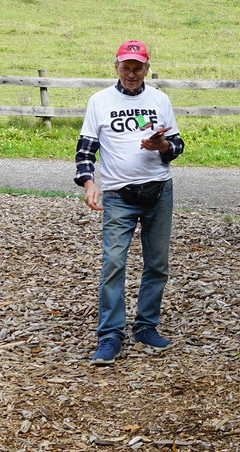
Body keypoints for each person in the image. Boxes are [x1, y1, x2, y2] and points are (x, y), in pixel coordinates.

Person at [75, 40, 184, 366]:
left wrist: (161, 145)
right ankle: (109, 335)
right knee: (113, 263)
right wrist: (89, 184)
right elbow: (85, 151)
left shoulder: (160, 100)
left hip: (158, 192)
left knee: (157, 264)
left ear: (147, 69)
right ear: (116, 67)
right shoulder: (100, 101)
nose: (132, 74)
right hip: (118, 196)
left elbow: (177, 147)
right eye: (126, 68)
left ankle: (146, 326)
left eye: (138, 68)